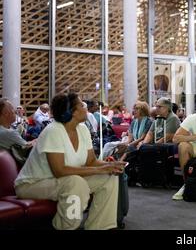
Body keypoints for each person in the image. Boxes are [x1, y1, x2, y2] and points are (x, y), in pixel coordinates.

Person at [14, 93, 125, 230]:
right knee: (75, 182)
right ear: (72, 112)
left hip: (63, 181)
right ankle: (65, 227)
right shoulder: (53, 131)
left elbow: (91, 161)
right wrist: (101, 169)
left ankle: (100, 226)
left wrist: (110, 166)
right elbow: (60, 171)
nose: (86, 107)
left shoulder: (83, 129)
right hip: (32, 184)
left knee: (108, 178)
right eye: (82, 105)